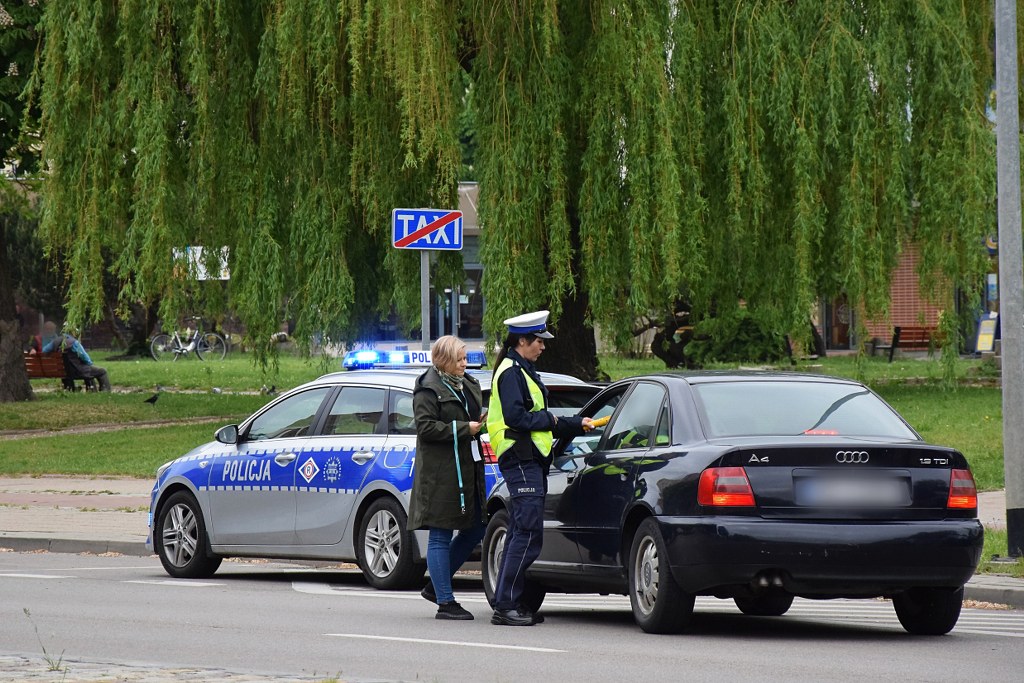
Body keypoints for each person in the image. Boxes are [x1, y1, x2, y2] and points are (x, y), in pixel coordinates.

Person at [488, 310, 594, 626]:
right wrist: (552, 421)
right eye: (539, 341)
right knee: (526, 532)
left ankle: (510, 602)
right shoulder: (510, 373)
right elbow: (518, 419)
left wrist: (578, 424)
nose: (543, 347)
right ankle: (505, 605)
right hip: (519, 458)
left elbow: (542, 421)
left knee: (527, 532)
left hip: (530, 459)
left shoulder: (523, 369)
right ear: (523, 341)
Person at [407, 335, 488, 620]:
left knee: (477, 526)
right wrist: (464, 428)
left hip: (467, 469)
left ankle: (435, 586)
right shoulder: (427, 388)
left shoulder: (469, 384)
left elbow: (471, 420)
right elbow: (426, 428)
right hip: (440, 472)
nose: (465, 364)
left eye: (465, 359)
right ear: (444, 361)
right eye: (459, 360)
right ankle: (445, 600)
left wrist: (480, 424)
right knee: (440, 533)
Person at [41, 321, 111, 392]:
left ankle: (86, 389)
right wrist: (90, 364)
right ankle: (105, 390)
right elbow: (85, 358)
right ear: (73, 332)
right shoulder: (74, 342)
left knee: (89, 370)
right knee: (102, 371)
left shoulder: (55, 342)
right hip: (78, 370)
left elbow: (43, 351)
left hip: (64, 372)